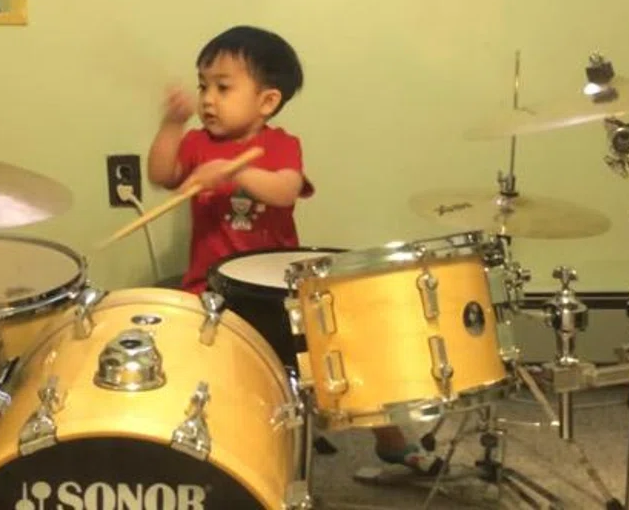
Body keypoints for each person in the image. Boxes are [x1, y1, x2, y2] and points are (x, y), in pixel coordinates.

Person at [146, 25, 443, 476]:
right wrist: (171, 124)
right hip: (208, 286)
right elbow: (161, 172)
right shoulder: (195, 144)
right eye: (203, 85)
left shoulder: (280, 146)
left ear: (267, 101)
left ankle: (389, 438)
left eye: (223, 87)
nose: (208, 98)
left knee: (339, 345)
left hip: (277, 289)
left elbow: (284, 190)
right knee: (176, 344)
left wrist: (232, 173)